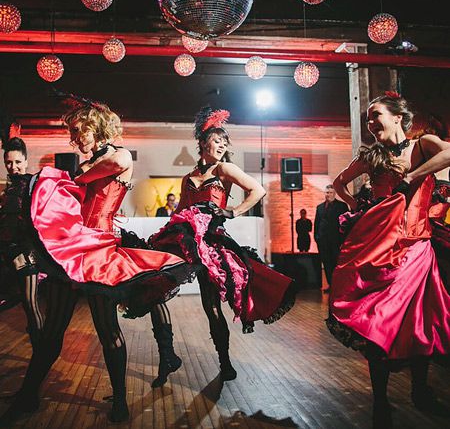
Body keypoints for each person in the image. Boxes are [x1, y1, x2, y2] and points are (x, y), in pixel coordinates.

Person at [0, 100, 197, 425]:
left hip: (99, 253)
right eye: (72, 133)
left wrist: (58, 179)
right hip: (75, 250)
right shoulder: (91, 161)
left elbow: (84, 180)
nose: (74, 139)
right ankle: (27, 396)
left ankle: (119, 401)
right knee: (52, 333)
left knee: (108, 331)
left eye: (79, 131)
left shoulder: (119, 156)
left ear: (98, 126)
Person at [326, 92, 450, 428]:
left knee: (418, 324)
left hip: (417, 249)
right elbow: (339, 182)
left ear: (398, 117)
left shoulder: (422, 145)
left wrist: (412, 176)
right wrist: (353, 206)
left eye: (375, 114)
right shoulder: (373, 156)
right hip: (377, 250)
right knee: (377, 323)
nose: (370, 122)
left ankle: (420, 392)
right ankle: (381, 401)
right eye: (367, 118)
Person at [146, 107, 295, 381]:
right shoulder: (187, 177)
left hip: (212, 243)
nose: (222, 145)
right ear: (203, 143)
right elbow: (181, 209)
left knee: (211, 306)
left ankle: (224, 362)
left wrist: (232, 211)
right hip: (188, 241)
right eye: (217, 141)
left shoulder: (225, 168)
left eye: (225, 143)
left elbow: (257, 190)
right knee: (156, 286)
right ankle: (167, 356)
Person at [0, 137, 44, 348]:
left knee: (30, 305)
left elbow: (40, 222)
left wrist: (30, 252)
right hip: (8, 253)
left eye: (18, 162)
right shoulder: (7, 189)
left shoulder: (33, 185)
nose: (13, 167)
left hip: (26, 254)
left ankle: (41, 351)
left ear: (26, 161)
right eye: (9, 163)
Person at [313, 184, 348, 292]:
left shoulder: (342, 206)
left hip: (336, 241)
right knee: (327, 263)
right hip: (323, 241)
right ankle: (330, 285)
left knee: (337, 264)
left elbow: (345, 224)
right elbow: (316, 223)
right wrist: (317, 237)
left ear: (335, 193)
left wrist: (343, 240)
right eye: (326, 192)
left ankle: (338, 286)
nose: (328, 195)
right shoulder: (319, 207)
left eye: (330, 193)